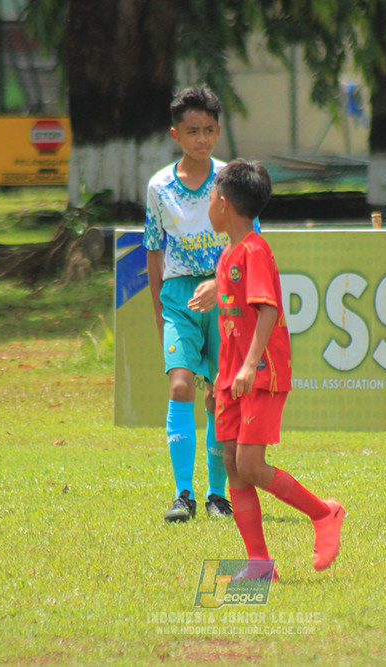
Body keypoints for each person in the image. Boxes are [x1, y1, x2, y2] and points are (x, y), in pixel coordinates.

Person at [205, 159, 345, 580]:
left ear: (224, 204)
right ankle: (260, 564)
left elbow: (268, 310)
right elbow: (232, 326)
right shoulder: (229, 253)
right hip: (232, 378)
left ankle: (324, 513)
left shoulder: (255, 250)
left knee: (249, 465)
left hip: (260, 374)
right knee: (232, 463)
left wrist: (249, 367)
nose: (208, 204)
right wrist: (222, 377)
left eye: (210, 197)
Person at [144, 86, 256, 522]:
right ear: (176, 134)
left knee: (218, 399)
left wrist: (219, 282)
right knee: (180, 386)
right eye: (193, 131)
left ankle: (216, 494)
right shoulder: (159, 186)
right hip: (177, 299)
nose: (202, 139)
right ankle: (183, 494)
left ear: (218, 131)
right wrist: (158, 309)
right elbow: (154, 249)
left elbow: (250, 244)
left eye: (209, 130)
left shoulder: (232, 180)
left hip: (225, 297)